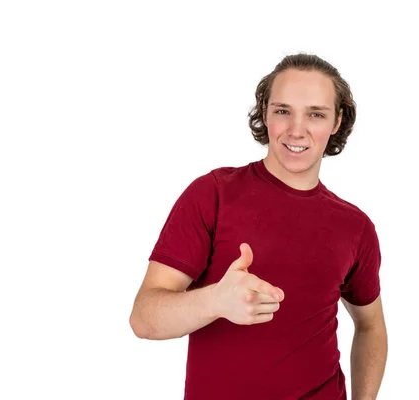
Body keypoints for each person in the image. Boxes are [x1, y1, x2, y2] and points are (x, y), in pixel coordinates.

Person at [129, 53, 388, 399]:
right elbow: (143, 319)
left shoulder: (356, 227)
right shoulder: (213, 194)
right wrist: (215, 302)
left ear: (337, 121)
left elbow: (371, 326)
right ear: (265, 112)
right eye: (283, 111)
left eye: (316, 114)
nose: (297, 129)